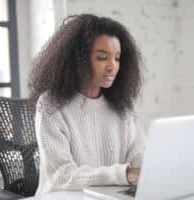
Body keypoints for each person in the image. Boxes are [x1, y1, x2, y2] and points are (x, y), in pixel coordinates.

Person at [28, 13, 146, 195]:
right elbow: (62, 175)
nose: (112, 66)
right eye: (102, 57)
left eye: (117, 58)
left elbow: (138, 155)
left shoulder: (122, 106)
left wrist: (150, 169)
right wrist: (124, 174)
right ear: (78, 60)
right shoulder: (51, 104)